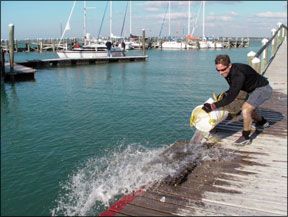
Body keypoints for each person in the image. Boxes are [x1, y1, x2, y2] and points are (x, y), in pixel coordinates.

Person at [202, 54, 272, 146]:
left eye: (223, 69)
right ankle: (262, 122)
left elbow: (231, 97)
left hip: (262, 89)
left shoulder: (238, 74)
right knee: (250, 109)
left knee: (246, 109)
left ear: (229, 65)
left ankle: (245, 137)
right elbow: (233, 89)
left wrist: (213, 106)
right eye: (218, 70)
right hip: (250, 89)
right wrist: (222, 96)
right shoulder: (229, 72)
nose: (220, 73)